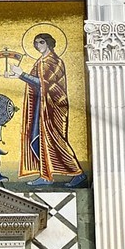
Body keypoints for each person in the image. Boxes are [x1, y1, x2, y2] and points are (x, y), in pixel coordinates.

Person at [19, 33, 82, 180]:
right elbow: (36, 83)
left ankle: (78, 173)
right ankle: (46, 175)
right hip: (40, 107)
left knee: (56, 141)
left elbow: (45, 83)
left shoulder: (55, 62)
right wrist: (18, 76)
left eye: (41, 42)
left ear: (49, 43)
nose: (38, 45)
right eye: (36, 43)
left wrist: (22, 75)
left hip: (53, 107)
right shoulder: (39, 62)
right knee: (36, 139)